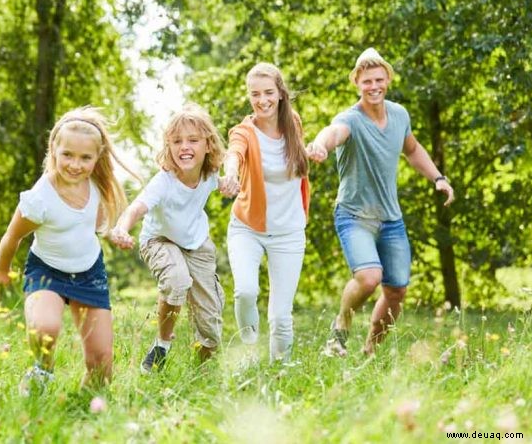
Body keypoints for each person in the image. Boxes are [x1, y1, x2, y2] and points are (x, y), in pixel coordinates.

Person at [307, 48, 454, 356]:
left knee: (397, 289)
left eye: (378, 80)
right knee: (369, 277)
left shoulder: (399, 115)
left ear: (388, 79)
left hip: (390, 219)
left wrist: (438, 178)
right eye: (366, 81)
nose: (373, 86)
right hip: (354, 215)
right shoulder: (350, 119)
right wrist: (320, 145)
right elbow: (333, 133)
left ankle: (370, 352)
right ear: (356, 83)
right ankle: (339, 331)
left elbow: (412, 150)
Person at [0, 106, 136, 393]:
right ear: (53, 150)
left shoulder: (95, 185)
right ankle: (42, 370)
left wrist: (114, 234)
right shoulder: (39, 199)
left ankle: (83, 405)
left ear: (97, 158)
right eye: (67, 155)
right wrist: (2, 269)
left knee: (103, 365)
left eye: (85, 158)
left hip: (88, 272)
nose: (75, 164)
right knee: (45, 328)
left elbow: (91, 227)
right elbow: (12, 236)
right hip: (47, 271)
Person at [109, 103, 230, 373]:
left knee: (210, 325)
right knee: (177, 281)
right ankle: (162, 345)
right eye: (177, 141)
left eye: (193, 140)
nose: (184, 146)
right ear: (169, 147)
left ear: (208, 145)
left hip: (197, 245)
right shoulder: (164, 181)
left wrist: (229, 184)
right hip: (159, 240)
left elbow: (223, 182)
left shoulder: (209, 174)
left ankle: (202, 373)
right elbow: (137, 207)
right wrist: (122, 227)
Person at [222, 62, 311, 364]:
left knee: (281, 315)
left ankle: (280, 370)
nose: (262, 101)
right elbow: (233, 155)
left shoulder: (293, 124)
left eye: (268, 93)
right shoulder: (244, 132)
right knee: (245, 291)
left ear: (281, 94)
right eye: (255, 94)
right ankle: (249, 348)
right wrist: (231, 174)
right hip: (248, 227)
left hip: (288, 232)